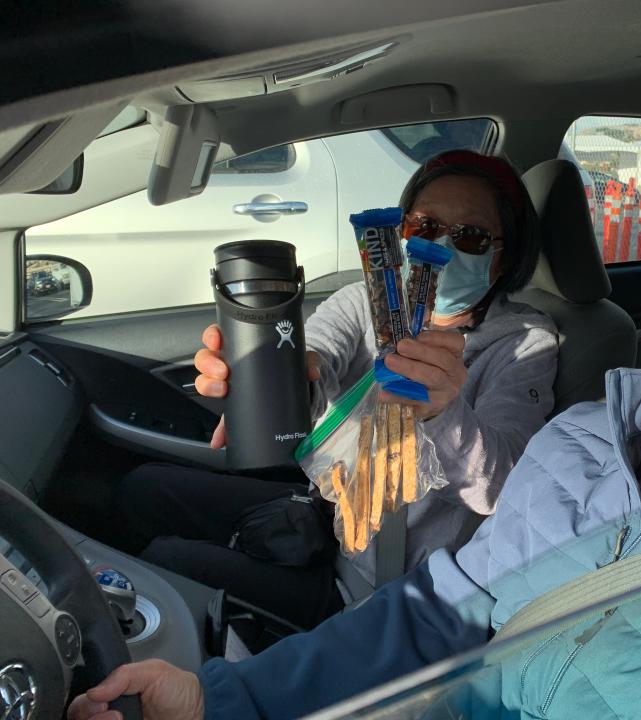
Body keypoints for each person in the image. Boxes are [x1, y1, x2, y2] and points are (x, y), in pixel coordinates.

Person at [72, 98, 641, 720]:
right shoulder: (597, 434)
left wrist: (445, 412)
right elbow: (439, 612)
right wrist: (231, 703)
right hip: (348, 543)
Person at [113, 150, 559, 628]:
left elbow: (505, 488)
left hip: (380, 582)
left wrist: (444, 415)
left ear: (505, 254)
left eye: (470, 236)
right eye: (425, 227)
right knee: (143, 490)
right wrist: (270, 381)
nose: (443, 248)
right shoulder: (365, 299)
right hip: (325, 511)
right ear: (403, 232)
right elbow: (317, 359)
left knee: (168, 560)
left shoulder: (523, 342)